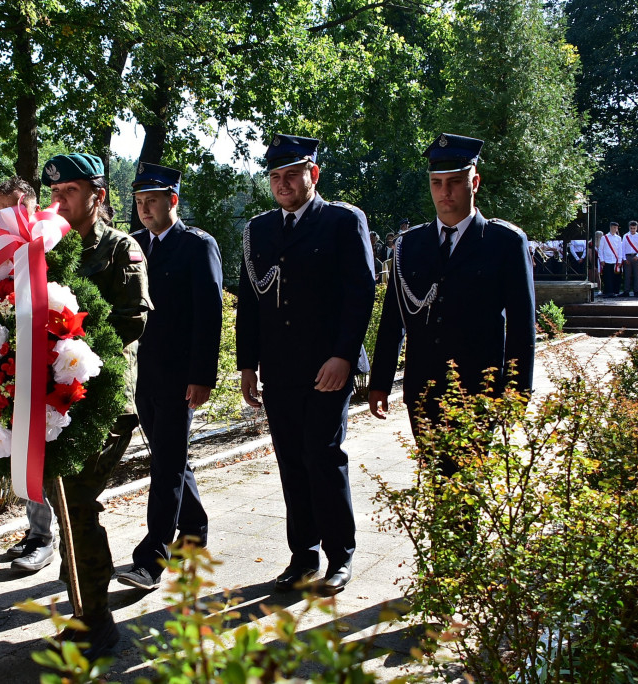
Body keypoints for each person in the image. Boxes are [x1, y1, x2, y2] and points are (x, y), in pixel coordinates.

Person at [5, 154, 150, 658]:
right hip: (55, 401)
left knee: (80, 508)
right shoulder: (52, 246)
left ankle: (99, 622)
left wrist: (72, 348)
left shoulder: (121, 249)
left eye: (68, 190)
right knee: (65, 507)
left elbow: (132, 323)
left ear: (99, 194)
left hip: (103, 403)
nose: (58, 199)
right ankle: (85, 611)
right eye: (55, 190)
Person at [236, 134, 375, 597]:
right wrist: (247, 365)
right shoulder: (258, 230)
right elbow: (250, 305)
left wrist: (343, 356)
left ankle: (341, 554)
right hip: (279, 368)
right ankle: (302, 555)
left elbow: (360, 293)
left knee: (323, 457)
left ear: (312, 174)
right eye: (275, 177)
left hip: (326, 367)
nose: (283, 184)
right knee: (291, 462)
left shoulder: (341, 221)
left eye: (292, 175)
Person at [368, 133, 535, 476]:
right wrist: (381, 382)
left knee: (465, 486)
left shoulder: (504, 242)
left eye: (455, 182)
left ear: (474, 182)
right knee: (436, 482)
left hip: (478, 388)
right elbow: (393, 321)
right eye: (437, 183)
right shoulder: (409, 245)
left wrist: (516, 394)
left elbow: (521, 325)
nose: (444, 193)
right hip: (423, 387)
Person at [115, 163, 223, 592]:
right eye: (139, 202)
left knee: (164, 464)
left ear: (172, 200)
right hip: (143, 374)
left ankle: (151, 559)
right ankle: (194, 531)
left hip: (181, 377)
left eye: (152, 201)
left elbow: (209, 315)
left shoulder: (197, 245)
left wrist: (202, 376)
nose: (144, 209)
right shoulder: (133, 245)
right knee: (170, 456)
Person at [597, 221, 622, 297]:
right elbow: (601, 249)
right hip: (607, 260)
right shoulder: (604, 238)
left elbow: (620, 249)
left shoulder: (618, 238)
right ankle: (608, 292)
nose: (615, 229)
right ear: (610, 227)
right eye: (614, 227)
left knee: (615, 277)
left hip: (615, 260)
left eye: (616, 228)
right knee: (607, 277)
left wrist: (620, 260)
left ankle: (615, 291)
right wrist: (602, 259)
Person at [621, 221, 638, 296]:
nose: (632, 230)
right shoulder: (625, 236)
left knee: (636, 274)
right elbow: (623, 248)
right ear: (629, 227)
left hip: (636, 256)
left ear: (637, 228)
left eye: (634, 228)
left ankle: (636, 291)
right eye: (631, 228)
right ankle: (626, 291)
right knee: (627, 275)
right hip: (627, 256)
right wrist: (624, 259)